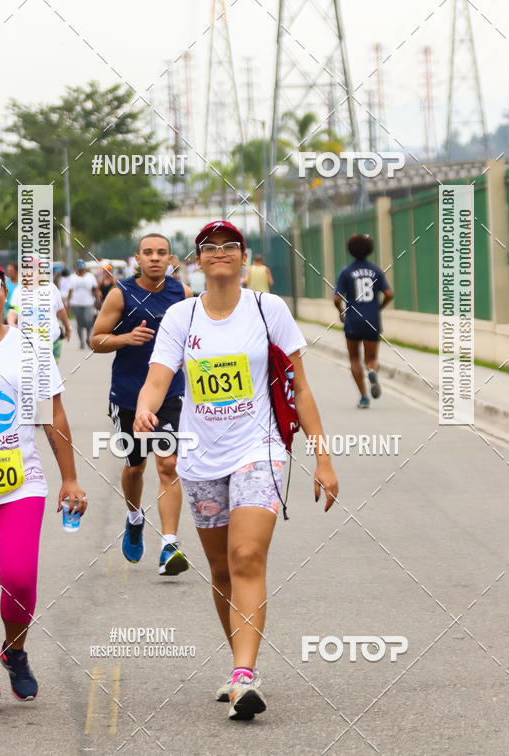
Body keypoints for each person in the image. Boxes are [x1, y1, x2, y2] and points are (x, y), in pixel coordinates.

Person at [134, 220, 338, 720]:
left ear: (243, 258)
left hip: (260, 448)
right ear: (198, 260)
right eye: (210, 248)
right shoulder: (181, 318)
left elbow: (301, 387)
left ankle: (246, 675)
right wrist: (145, 408)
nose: (220, 253)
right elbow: (158, 377)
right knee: (222, 568)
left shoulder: (270, 310)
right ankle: (237, 665)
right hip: (201, 457)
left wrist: (322, 456)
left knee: (246, 555)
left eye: (230, 246)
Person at [0, 254, 87, 714]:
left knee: (20, 578)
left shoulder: (29, 349)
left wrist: (69, 477)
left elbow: (54, 415)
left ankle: (16, 650)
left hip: (20, 483)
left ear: (5, 291)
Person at [90, 234, 193, 573]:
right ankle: (134, 517)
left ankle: (169, 546)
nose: (154, 258)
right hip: (129, 394)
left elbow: (196, 337)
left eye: (161, 253)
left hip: (169, 393)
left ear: (170, 258)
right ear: (137, 257)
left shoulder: (183, 294)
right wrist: (126, 338)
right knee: (136, 467)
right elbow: (96, 339)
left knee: (168, 464)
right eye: (148, 253)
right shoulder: (121, 293)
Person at [333, 233, 394, 408]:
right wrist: (379, 308)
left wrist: (341, 312)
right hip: (372, 320)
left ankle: (363, 397)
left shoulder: (346, 272)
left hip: (352, 320)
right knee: (371, 358)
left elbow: (336, 298)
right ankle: (372, 370)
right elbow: (389, 294)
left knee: (354, 359)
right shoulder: (376, 271)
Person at [7, 270, 71, 364]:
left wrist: (67, 328)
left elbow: (60, 310)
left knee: (50, 375)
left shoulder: (51, 288)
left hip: (52, 341)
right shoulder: (19, 291)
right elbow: (13, 311)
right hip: (28, 344)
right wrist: (11, 322)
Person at [66, 259, 99, 349]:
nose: (81, 270)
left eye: (82, 268)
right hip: (76, 304)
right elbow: (70, 291)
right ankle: (81, 341)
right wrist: (67, 304)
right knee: (80, 323)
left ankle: (88, 338)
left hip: (88, 303)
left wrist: (97, 300)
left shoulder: (90, 277)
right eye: (79, 268)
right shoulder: (72, 277)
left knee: (89, 322)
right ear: (77, 268)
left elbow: (95, 289)